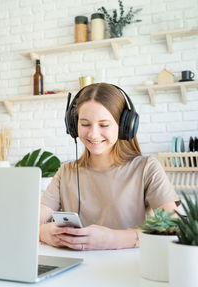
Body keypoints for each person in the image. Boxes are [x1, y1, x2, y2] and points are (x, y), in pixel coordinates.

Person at [40, 83, 178, 250]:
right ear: (73, 126)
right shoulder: (66, 172)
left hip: (128, 270)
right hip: (73, 271)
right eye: (85, 124)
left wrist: (113, 239)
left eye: (104, 125)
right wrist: (43, 232)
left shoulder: (147, 168)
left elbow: (174, 228)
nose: (93, 134)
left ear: (124, 126)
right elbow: (30, 222)